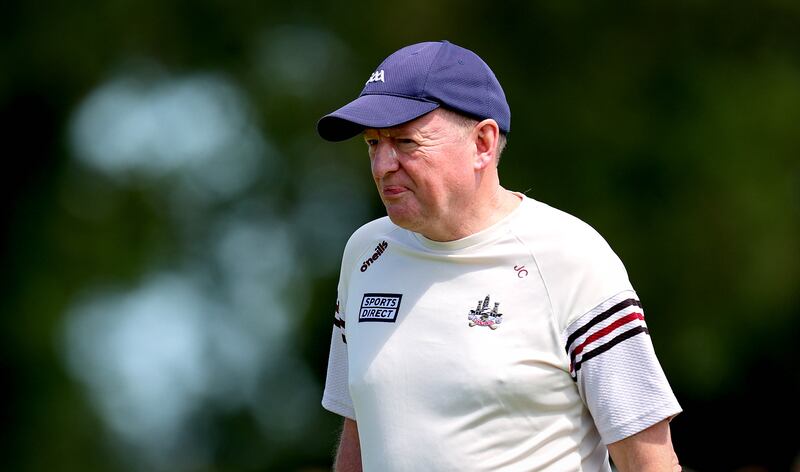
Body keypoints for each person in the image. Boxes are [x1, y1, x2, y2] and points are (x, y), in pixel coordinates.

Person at [317, 40, 682, 471]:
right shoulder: (365, 255)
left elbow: (650, 462)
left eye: (405, 142)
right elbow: (362, 432)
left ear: (483, 143)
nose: (382, 165)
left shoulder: (572, 258)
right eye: (373, 143)